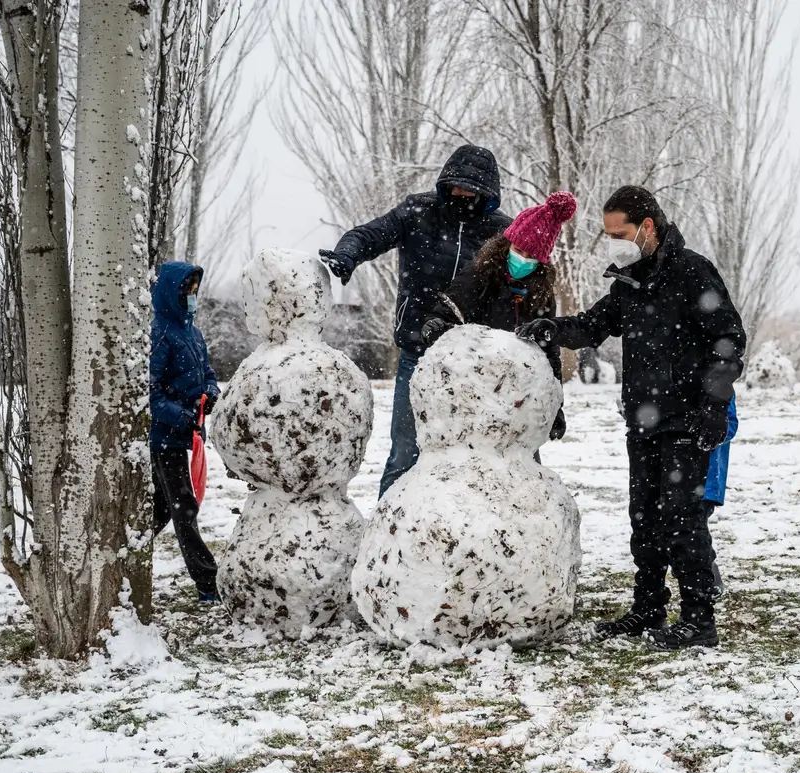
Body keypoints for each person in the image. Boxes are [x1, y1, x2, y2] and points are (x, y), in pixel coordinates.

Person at [516, 185, 746, 650]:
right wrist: (552, 328)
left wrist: (714, 407)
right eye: (606, 235)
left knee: (682, 521)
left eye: (617, 233)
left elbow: (728, 340)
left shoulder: (693, 272)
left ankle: (699, 620)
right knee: (644, 521)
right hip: (643, 421)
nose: (612, 243)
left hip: (687, 420)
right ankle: (648, 608)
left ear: (646, 227)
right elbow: (592, 326)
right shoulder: (630, 281)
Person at [319, 144, 512, 497]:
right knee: (405, 452)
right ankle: (386, 536)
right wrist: (347, 254)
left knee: (466, 456)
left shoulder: (502, 232)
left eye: (471, 192)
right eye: (456, 188)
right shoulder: (418, 211)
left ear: (487, 193)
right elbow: (369, 234)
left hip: (472, 361)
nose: (461, 196)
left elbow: (523, 287)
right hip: (417, 353)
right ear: (445, 183)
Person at [422, 191, 577, 441]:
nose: (523, 259)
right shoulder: (480, 275)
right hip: (477, 388)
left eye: (531, 257)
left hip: (520, 395)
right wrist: (436, 324)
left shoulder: (542, 295)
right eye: (519, 250)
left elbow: (549, 351)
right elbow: (449, 309)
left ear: (542, 261)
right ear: (507, 244)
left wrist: (556, 402)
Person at [149, 261, 221, 603]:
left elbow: (207, 371)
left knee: (162, 509)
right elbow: (150, 393)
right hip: (165, 437)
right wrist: (182, 416)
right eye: (186, 291)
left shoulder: (194, 332)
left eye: (195, 290)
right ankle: (209, 582)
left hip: (190, 433)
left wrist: (211, 395)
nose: (191, 297)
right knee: (184, 507)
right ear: (172, 292)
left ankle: (122, 548)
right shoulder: (160, 333)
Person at [703, 393, 738, 602]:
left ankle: (711, 581)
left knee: (694, 532)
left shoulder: (718, 385)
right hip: (681, 476)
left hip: (706, 478)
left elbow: (730, 424)